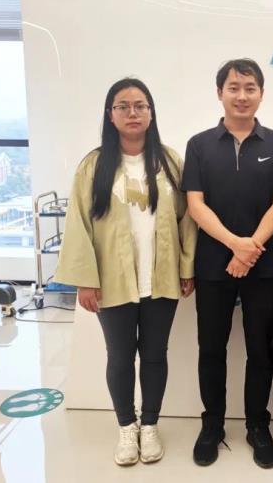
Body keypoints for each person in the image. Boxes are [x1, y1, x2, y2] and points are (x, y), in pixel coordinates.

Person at [54, 77, 197, 466]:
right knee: (119, 356)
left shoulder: (170, 161)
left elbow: (187, 219)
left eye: (140, 106)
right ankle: (125, 426)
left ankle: (149, 425)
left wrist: (186, 267)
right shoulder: (93, 165)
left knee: (154, 354)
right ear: (110, 114)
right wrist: (85, 280)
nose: (132, 113)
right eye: (123, 106)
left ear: (151, 113)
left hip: (161, 277)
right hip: (111, 279)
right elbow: (78, 222)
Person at [181, 58, 273, 469]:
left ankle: (257, 425)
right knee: (211, 349)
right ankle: (212, 425)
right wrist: (236, 245)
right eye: (234, 87)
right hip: (214, 265)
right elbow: (195, 205)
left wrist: (251, 249)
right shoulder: (199, 145)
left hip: (262, 267)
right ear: (220, 93)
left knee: (259, 349)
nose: (242, 95)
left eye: (250, 88)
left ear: (261, 94)